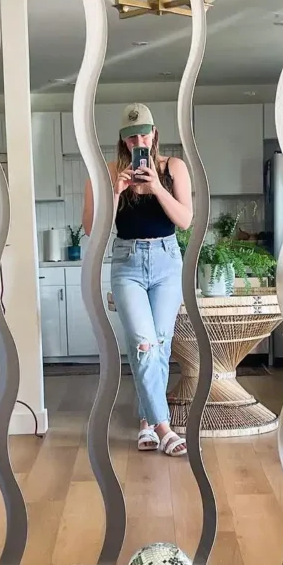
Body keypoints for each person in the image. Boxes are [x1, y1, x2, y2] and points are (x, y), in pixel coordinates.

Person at [82, 103, 193, 456]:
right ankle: (165, 428)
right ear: (122, 140)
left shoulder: (173, 168)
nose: (138, 142)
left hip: (166, 261)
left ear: (154, 133)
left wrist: (157, 187)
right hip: (126, 263)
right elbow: (92, 228)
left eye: (143, 134)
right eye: (131, 137)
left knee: (159, 343)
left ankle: (146, 421)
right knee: (143, 343)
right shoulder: (106, 173)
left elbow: (185, 220)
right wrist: (116, 191)